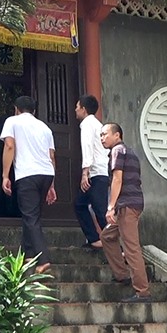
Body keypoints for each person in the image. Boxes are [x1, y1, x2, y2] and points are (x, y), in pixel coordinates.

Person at [1, 95, 57, 274]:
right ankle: (29, 253)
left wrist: (5, 175)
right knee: (32, 215)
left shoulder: (12, 121)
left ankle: (44, 259)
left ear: (16, 109)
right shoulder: (45, 127)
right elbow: (52, 156)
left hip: (27, 174)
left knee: (30, 216)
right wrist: (52, 185)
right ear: (34, 110)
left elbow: (9, 146)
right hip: (46, 173)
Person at [99, 122, 151, 302]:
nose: (102, 138)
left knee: (131, 248)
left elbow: (117, 179)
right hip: (131, 204)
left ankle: (142, 291)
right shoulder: (130, 152)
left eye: (105, 134)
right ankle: (122, 274)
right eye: (101, 135)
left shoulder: (117, 151)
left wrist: (111, 207)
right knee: (107, 236)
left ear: (117, 135)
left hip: (126, 205)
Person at [73, 95, 108, 250]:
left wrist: (84, 173)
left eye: (77, 107)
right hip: (100, 171)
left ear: (84, 109)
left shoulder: (87, 123)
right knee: (80, 204)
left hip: (96, 173)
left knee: (100, 209)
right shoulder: (97, 124)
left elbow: (87, 147)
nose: (75, 110)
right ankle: (94, 239)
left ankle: (117, 245)